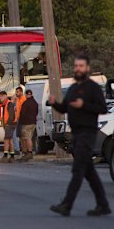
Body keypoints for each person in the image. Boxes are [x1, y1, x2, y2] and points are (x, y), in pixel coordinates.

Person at [48, 55, 110, 217]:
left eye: (81, 66)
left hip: (88, 133)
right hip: (76, 134)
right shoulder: (73, 89)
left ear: (87, 68)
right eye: (76, 66)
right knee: (89, 172)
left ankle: (67, 204)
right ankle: (103, 204)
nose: (78, 69)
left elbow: (103, 108)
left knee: (78, 170)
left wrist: (85, 105)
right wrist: (55, 103)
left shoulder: (93, 88)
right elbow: (64, 109)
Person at [18, 89, 38, 162]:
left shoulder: (25, 103)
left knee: (27, 138)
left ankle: (29, 153)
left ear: (26, 95)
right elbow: (36, 112)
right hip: (33, 122)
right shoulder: (35, 103)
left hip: (26, 123)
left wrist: (20, 121)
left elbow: (22, 113)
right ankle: (28, 152)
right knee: (29, 137)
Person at [0, 91, 17, 163]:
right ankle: (12, 156)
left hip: (10, 124)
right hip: (11, 124)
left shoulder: (9, 104)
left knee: (6, 140)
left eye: (2, 96)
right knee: (10, 140)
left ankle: (5, 156)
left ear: (6, 96)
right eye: (0, 96)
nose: (0, 97)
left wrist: (8, 123)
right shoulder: (7, 104)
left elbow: (11, 115)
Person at [14, 86, 26, 154]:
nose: (16, 93)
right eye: (16, 92)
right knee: (20, 136)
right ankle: (23, 150)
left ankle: (25, 151)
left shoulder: (23, 99)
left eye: (17, 92)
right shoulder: (18, 99)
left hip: (22, 120)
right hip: (18, 119)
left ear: (21, 92)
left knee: (23, 136)